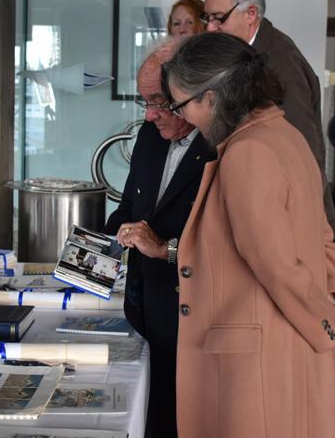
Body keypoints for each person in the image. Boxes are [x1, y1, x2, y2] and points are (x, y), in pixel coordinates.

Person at [161, 32, 335, 438]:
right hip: (292, 341)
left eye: (180, 105)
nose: (182, 118)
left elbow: (274, 262)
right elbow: (324, 239)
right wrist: (332, 306)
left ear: (211, 99)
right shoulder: (286, 135)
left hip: (258, 362)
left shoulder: (248, 151)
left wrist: (330, 321)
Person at [103, 39, 215, 438]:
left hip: (192, 316)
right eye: (144, 101)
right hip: (143, 308)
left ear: (189, 95)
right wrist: (102, 242)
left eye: (159, 102)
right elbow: (129, 209)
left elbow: (224, 248)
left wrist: (162, 247)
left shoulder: (221, 148)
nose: (149, 115)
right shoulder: (150, 135)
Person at [202, 0, 335, 232]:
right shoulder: (248, 54)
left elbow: (302, 150)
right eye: (207, 18)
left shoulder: (278, 64)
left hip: (291, 221)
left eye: (219, 18)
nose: (210, 28)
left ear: (251, 14)